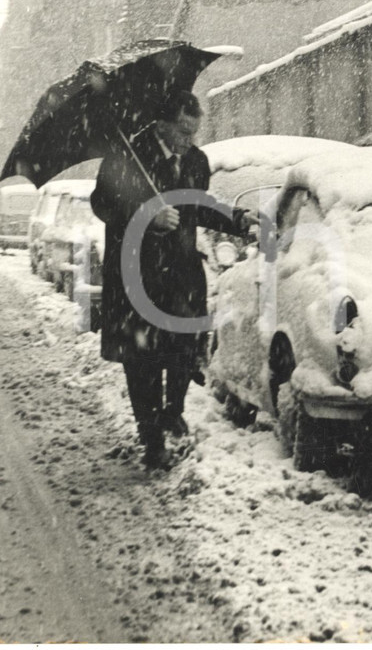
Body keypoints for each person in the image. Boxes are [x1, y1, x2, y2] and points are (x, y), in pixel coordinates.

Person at [91, 91, 253, 469]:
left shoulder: (197, 161)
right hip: (136, 275)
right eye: (182, 132)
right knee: (142, 361)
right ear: (162, 124)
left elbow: (198, 207)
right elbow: (101, 204)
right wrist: (147, 214)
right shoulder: (126, 156)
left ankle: (172, 410)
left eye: (194, 133)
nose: (189, 141)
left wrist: (238, 220)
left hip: (180, 276)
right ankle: (151, 440)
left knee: (183, 350)